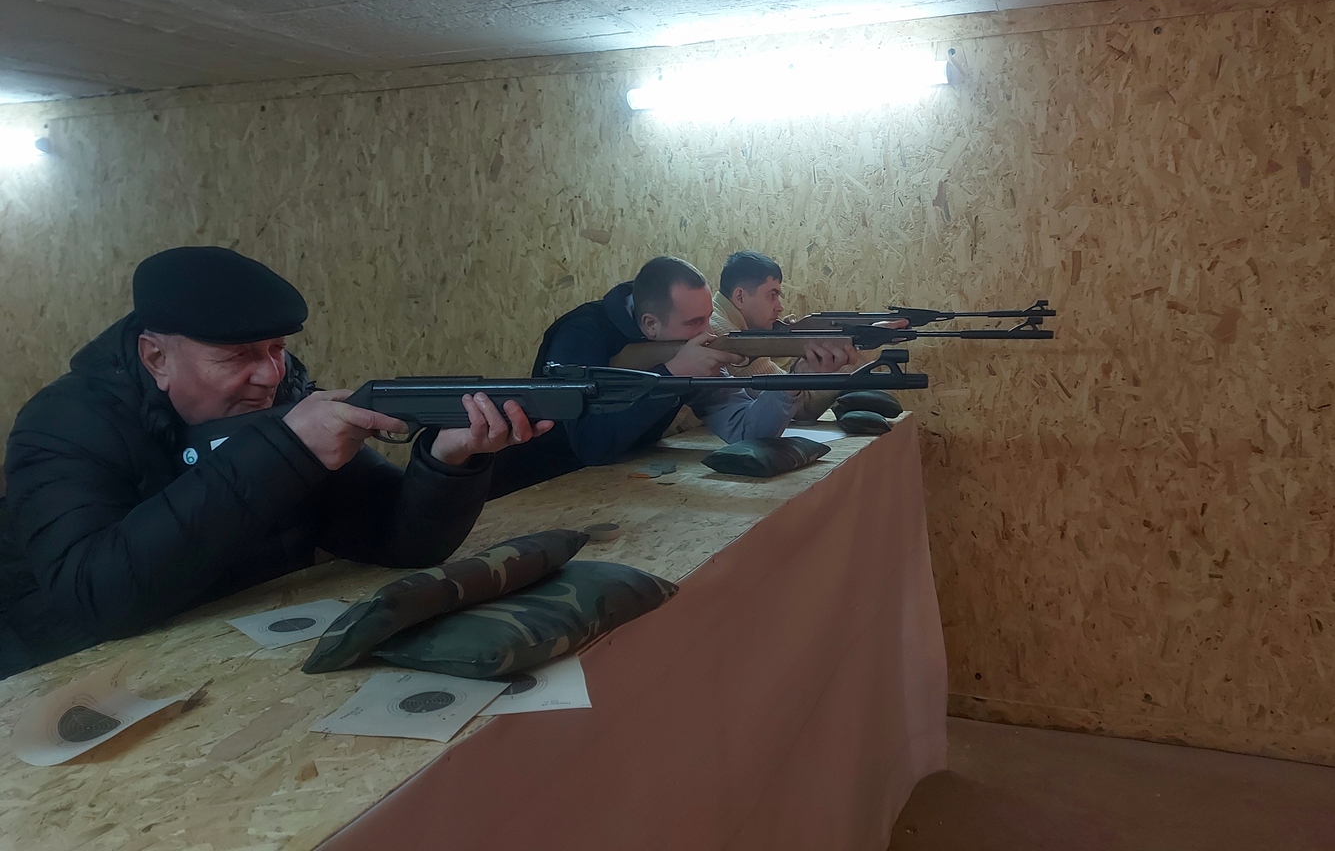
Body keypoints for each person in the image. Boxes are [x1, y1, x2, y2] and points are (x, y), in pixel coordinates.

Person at [0, 246, 549, 678]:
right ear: (156, 357)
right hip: (84, 685)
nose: (269, 375)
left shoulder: (283, 394)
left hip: (243, 661)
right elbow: (94, 597)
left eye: (276, 348)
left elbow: (400, 540)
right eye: (236, 356)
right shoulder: (63, 424)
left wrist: (449, 460)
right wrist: (285, 451)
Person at [489, 256, 850, 495]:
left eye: (708, 318)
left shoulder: (684, 346)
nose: (707, 331)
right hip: (532, 491)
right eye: (694, 322)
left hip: (620, 490)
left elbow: (746, 431)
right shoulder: (582, 336)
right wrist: (673, 374)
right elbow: (590, 447)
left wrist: (796, 379)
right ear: (650, 324)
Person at [710, 250, 860, 420]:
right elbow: (799, 408)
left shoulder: (719, 320)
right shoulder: (723, 334)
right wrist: (856, 358)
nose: (780, 307)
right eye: (772, 296)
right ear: (740, 297)